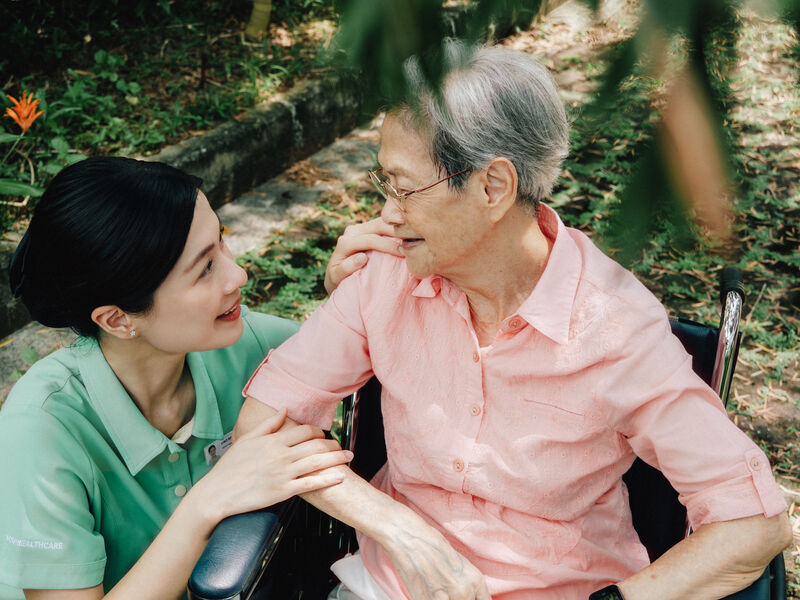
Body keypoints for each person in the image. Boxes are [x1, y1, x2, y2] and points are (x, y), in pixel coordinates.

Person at [234, 43, 793, 600]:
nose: (388, 212)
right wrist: (394, 526)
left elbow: (755, 522)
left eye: (404, 187)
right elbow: (264, 423)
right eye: (385, 185)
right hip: (387, 587)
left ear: (493, 187)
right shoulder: (388, 273)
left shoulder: (616, 329)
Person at [0, 156, 393, 600]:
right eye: (205, 268)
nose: (238, 274)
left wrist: (345, 310)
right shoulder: (40, 430)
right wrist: (208, 501)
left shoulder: (254, 348)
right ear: (117, 319)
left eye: (221, 242)